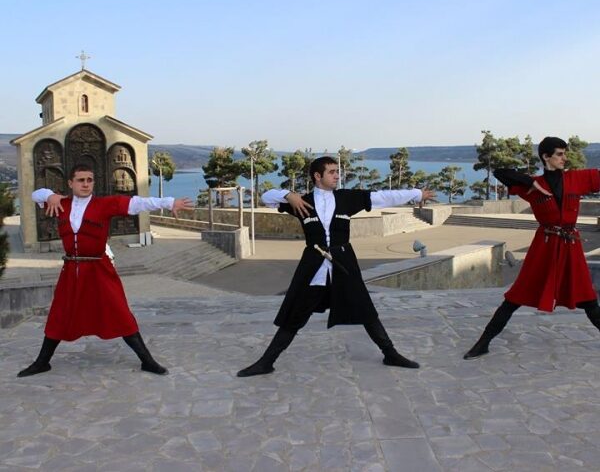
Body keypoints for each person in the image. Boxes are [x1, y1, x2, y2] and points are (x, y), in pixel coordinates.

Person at [237, 156, 436, 377]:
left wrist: (416, 194)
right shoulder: (302, 202)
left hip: (344, 263)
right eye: (331, 172)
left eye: (337, 172)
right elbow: (266, 197)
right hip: (313, 266)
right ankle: (266, 362)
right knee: (294, 315)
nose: (337, 176)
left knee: (366, 310)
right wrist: (288, 195)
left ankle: (390, 354)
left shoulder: (347, 198)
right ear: (317, 176)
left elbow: (383, 196)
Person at [17, 164, 194, 377]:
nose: (85, 184)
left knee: (120, 312)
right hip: (72, 270)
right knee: (60, 313)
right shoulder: (61, 203)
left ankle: (147, 361)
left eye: (89, 180)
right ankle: (42, 362)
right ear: (70, 183)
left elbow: (138, 203)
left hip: (99, 269)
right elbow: (35, 194)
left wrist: (170, 202)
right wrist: (50, 195)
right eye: (80, 180)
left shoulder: (105, 204)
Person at [464, 136, 600, 359]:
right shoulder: (532, 187)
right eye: (559, 154)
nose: (564, 158)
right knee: (514, 298)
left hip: (570, 247)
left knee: (589, 300)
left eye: (565, 153)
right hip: (544, 248)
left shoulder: (577, 178)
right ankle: (483, 343)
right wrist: (531, 182)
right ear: (546, 156)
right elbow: (500, 172)